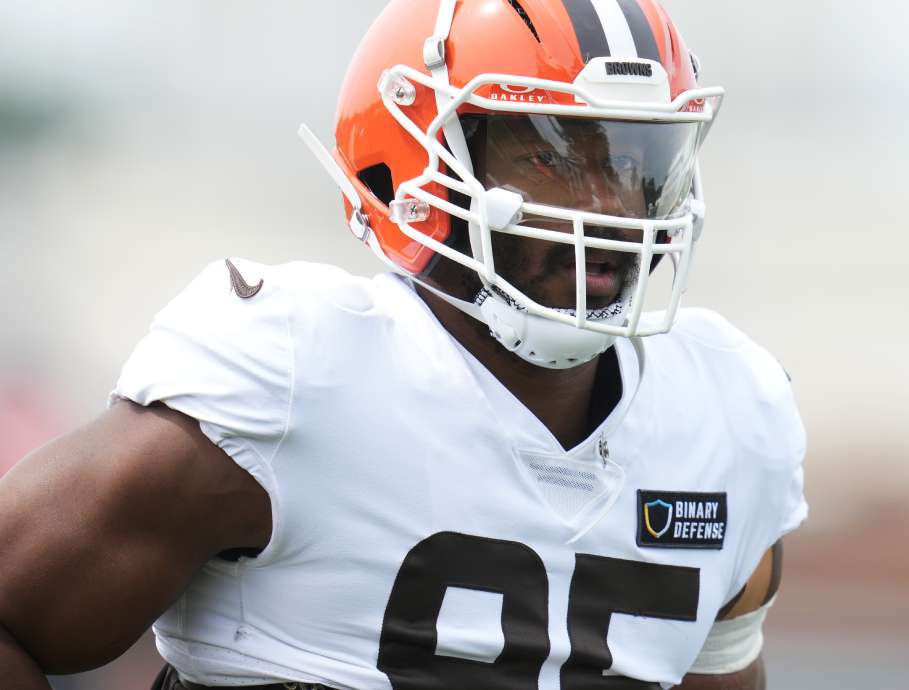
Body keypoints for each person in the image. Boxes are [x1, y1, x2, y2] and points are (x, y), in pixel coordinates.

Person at [0, 0, 807, 688]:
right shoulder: (295, 372)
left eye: (633, 160)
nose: (607, 204)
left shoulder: (728, 419)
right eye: (550, 155)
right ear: (413, 161)